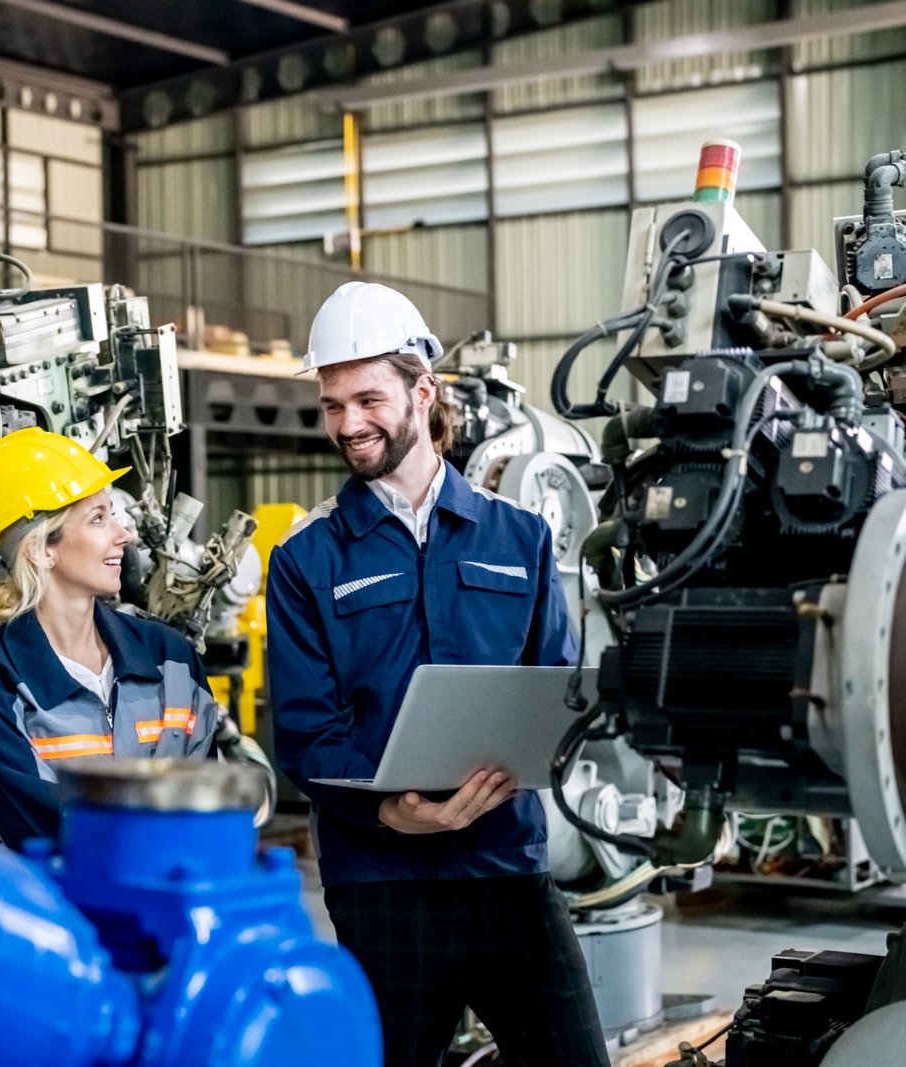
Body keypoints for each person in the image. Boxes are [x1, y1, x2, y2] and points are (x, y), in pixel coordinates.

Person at [266, 282, 610, 1067]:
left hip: (508, 870)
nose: (348, 424)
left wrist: (530, 761)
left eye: (367, 399)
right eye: (331, 404)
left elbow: (550, 689)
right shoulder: (306, 560)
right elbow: (307, 730)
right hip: (383, 884)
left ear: (423, 390)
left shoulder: (519, 537)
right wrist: (392, 813)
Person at [0, 426, 266, 849]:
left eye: (113, 515)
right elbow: (42, 831)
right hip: (62, 911)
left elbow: (207, 806)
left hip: (176, 904)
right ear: (41, 549)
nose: (125, 534)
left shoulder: (170, 658)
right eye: (99, 519)